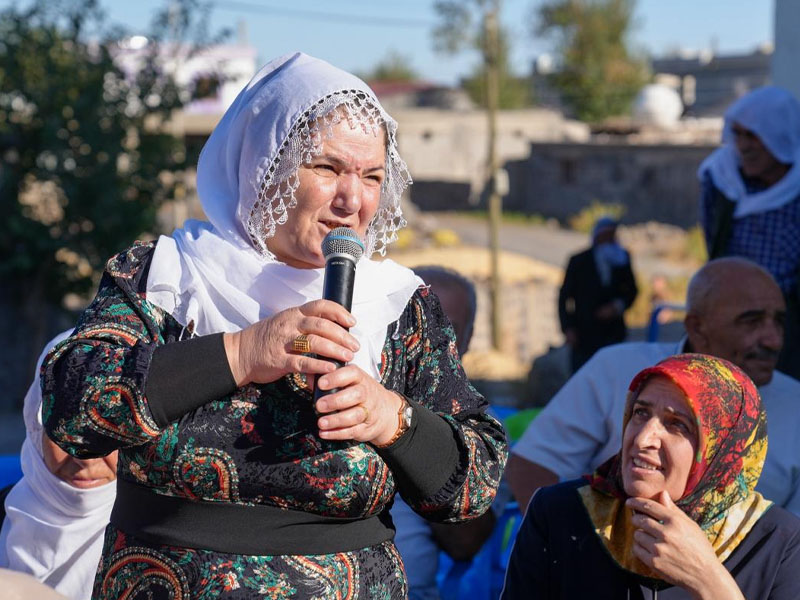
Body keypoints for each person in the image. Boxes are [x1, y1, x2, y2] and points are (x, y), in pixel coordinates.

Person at [39, 52, 507, 599]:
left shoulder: (399, 306)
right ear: (266, 165)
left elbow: (472, 485)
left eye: (372, 176)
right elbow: (73, 408)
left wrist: (390, 418)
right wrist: (242, 352)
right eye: (328, 168)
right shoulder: (165, 276)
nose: (352, 201)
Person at [507, 257, 800, 516]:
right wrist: (570, 560)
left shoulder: (796, 405)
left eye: (779, 322)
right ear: (697, 327)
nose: (773, 340)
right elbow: (535, 465)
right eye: (751, 322)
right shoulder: (615, 369)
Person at [502, 354, 800, 599]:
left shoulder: (779, 543)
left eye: (677, 425)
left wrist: (707, 579)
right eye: (640, 413)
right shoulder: (560, 513)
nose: (644, 438)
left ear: (722, 448)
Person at [391, 266, 496, 600]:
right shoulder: (337, 390)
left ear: (464, 339)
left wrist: (415, 436)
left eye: (443, 326)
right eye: (409, 321)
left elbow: (467, 544)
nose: (424, 335)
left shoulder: (478, 431)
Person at [0, 331, 117, 600]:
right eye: (66, 431)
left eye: (108, 433)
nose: (84, 459)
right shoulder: (4, 513)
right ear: (35, 426)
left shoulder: (160, 540)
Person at [698, 85, 800, 379]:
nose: (743, 145)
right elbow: (712, 242)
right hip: (730, 309)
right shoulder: (720, 179)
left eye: (754, 135)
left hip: (790, 315)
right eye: (739, 134)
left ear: (780, 136)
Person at [558, 216, 638, 373]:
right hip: (584, 334)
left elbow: (632, 290)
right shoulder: (579, 261)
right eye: (606, 235)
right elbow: (564, 296)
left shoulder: (622, 259)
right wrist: (568, 328)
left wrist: (617, 307)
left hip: (612, 333)